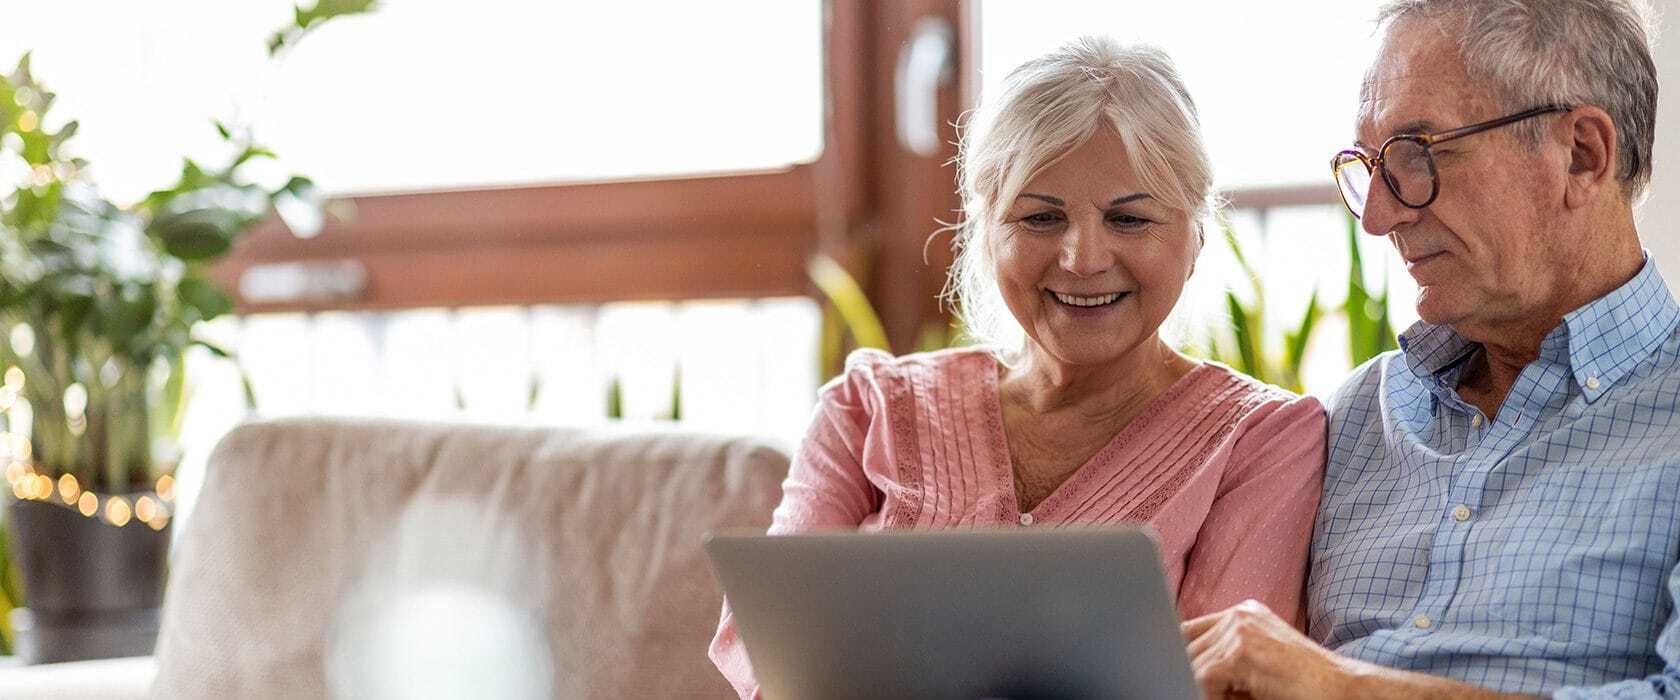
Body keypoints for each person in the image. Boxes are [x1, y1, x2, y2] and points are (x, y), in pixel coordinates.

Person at [708, 36, 1327, 699]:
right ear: (986, 233)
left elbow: (1221, 684)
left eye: (1129, 218)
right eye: (1040, 217)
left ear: (1196, 234)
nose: (1084, 258)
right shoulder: (866, 408)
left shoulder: (1264, 439)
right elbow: (767, 650)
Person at [1183, 1, 1678, 698]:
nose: (1379, 217)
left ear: (1581, 154)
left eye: (1415, 155)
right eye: (1369, 166)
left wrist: (1342, 689)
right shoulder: (1351, 419)